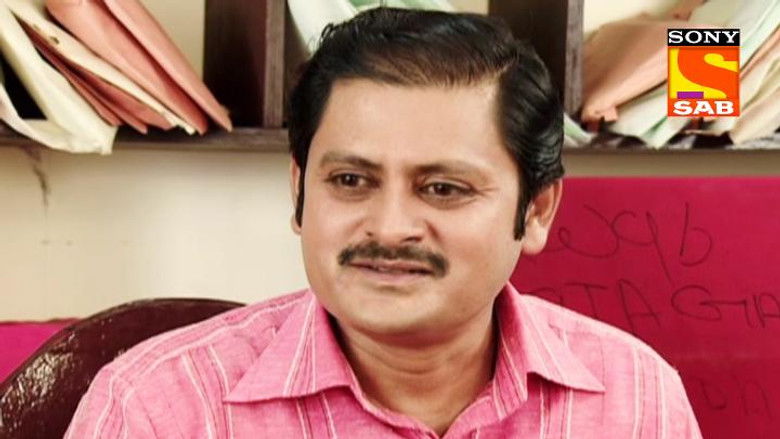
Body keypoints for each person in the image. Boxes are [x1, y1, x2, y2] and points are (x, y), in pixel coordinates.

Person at [66, 8, 702, 438]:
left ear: (535, 211)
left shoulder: (635, 400)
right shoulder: (160, 410)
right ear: (299, 193)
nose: (391, 228)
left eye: (443, 189)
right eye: (351, 181)